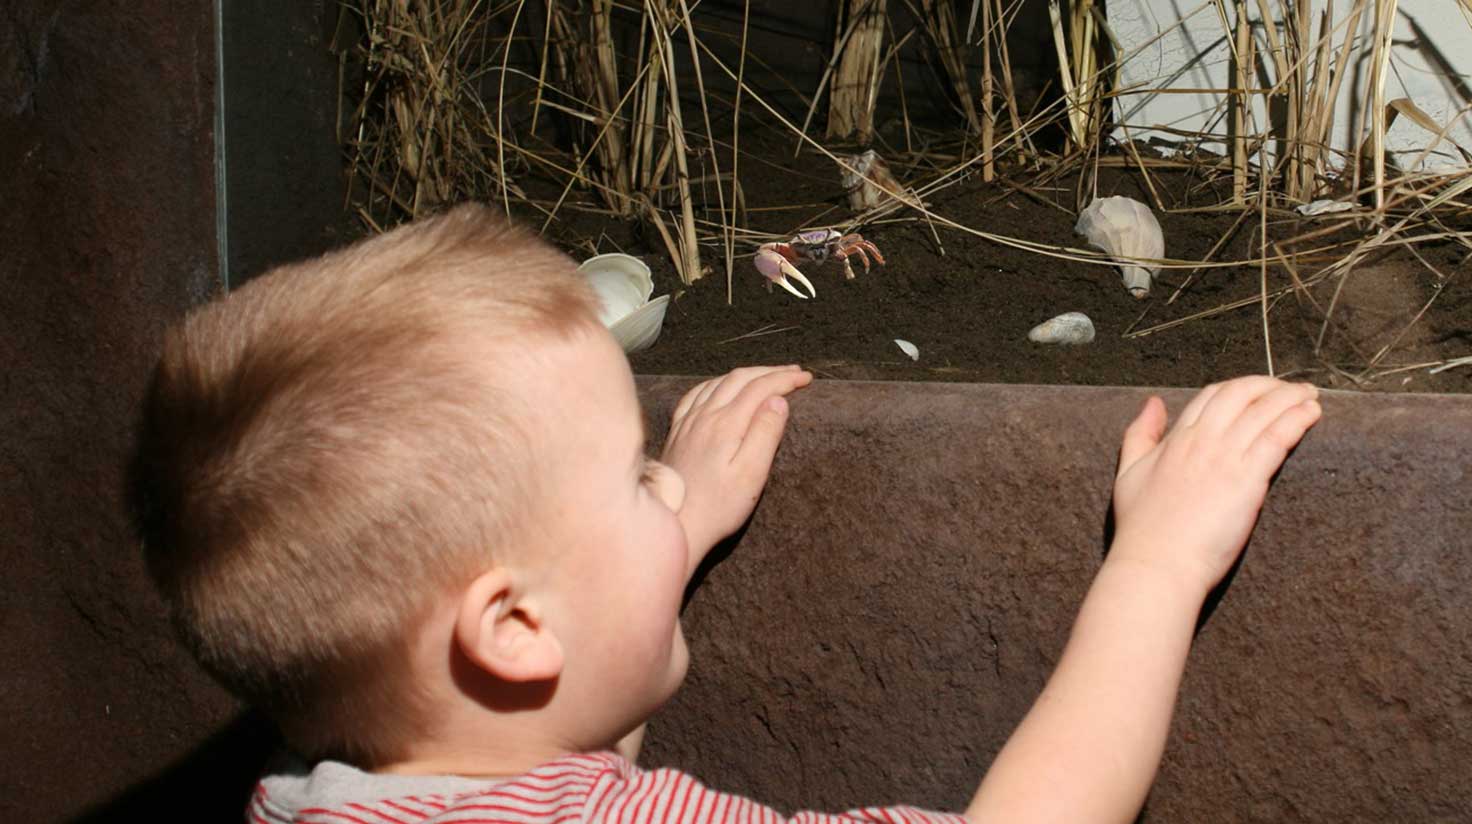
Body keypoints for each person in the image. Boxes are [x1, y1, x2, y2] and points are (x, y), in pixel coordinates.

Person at [129, 204, 1324, 824]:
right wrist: (1158, 563)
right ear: (512, 626)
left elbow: (542, 749)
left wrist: (670, 528)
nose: (667, 480)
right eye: (636, 473)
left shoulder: (312, 785)